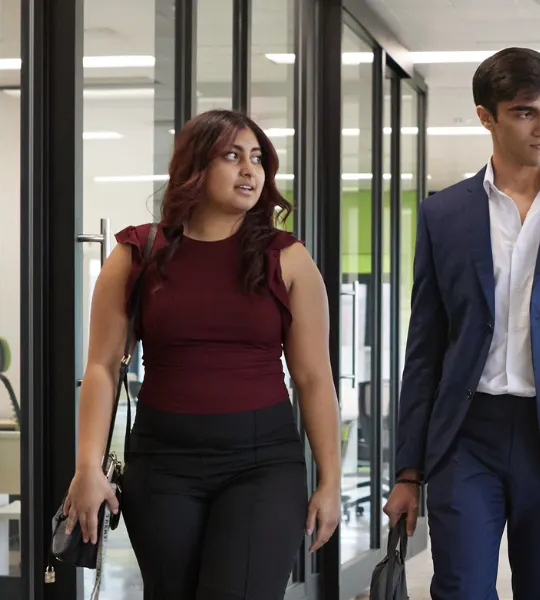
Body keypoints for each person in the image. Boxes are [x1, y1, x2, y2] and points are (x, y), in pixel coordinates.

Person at [381, 47, 540, 600]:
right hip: (465, 436)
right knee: (460, 588)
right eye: (525, 112)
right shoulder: (442, 215)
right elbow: (424, 348)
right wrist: (408, 471)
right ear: (486, 116)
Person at [61, 109, 342, 599]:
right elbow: (102, 368)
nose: (250, 170)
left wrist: (331, 482)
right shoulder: (137, 254)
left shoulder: (288, 258)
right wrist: (88, 466)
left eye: (257, 159)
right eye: (232, 156)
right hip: (163, 464)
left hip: (263, 465)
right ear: (195, 167)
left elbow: (314, 378)